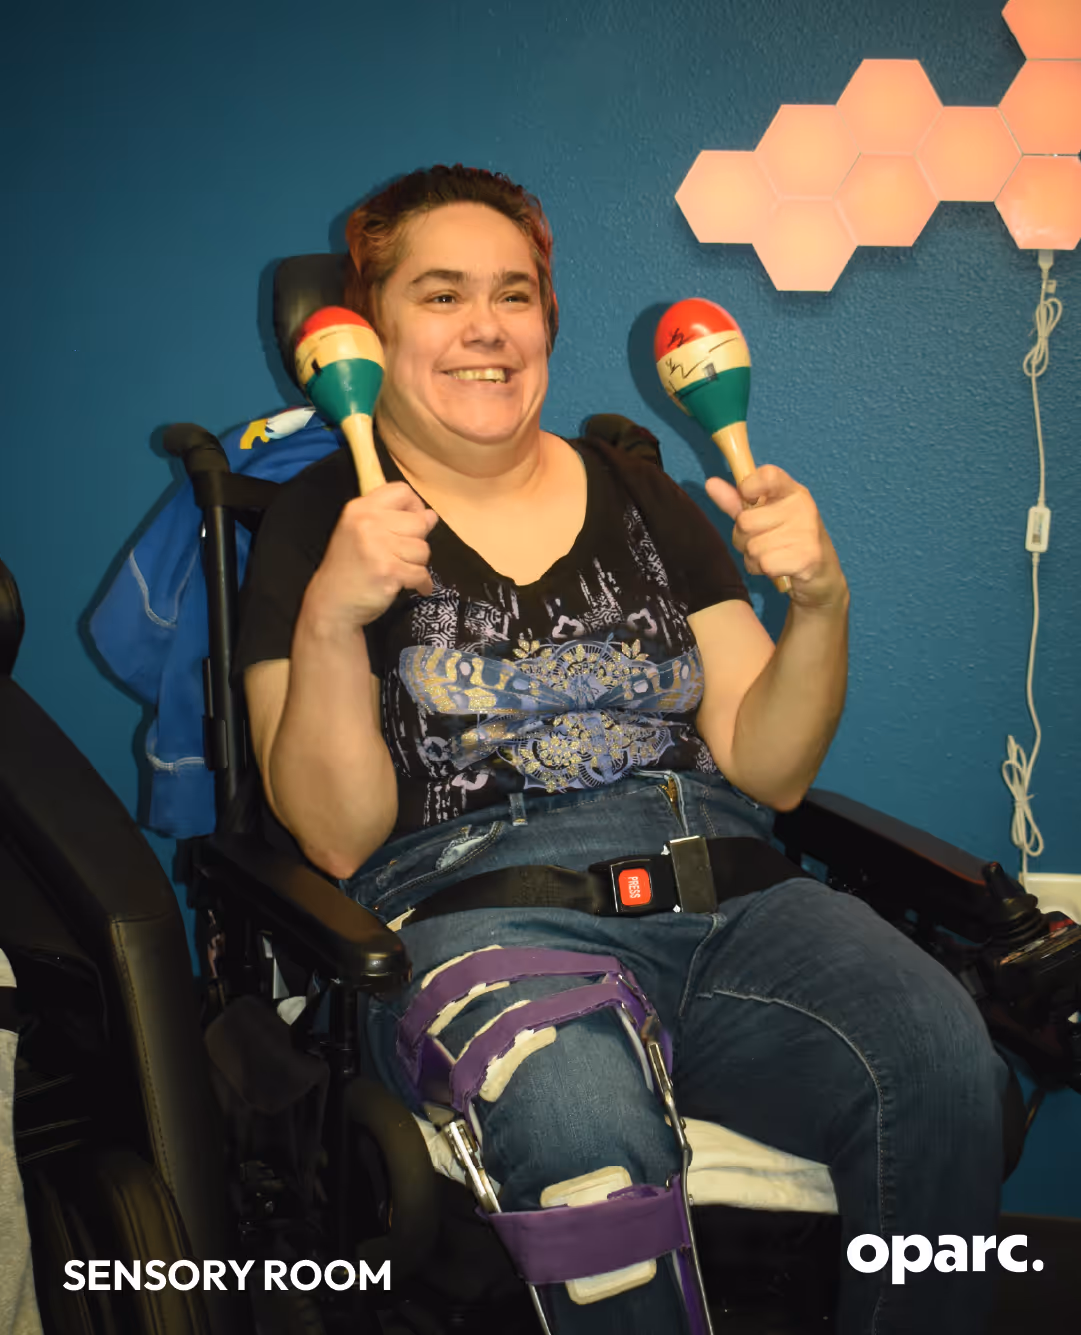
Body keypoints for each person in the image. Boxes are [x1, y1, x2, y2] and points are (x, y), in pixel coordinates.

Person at [234, 165, 1006, 1335]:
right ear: (371, 328)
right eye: (441, 295)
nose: (487, 327)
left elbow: (771, 767)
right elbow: (336, 839)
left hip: (734, 899)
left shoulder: (643, 495)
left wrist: (822, 602)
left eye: (514, 294)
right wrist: (334, 617)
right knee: (581, 1131)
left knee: (946, 1066)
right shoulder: (317, 522)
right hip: (488, 914)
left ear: (548, 319)